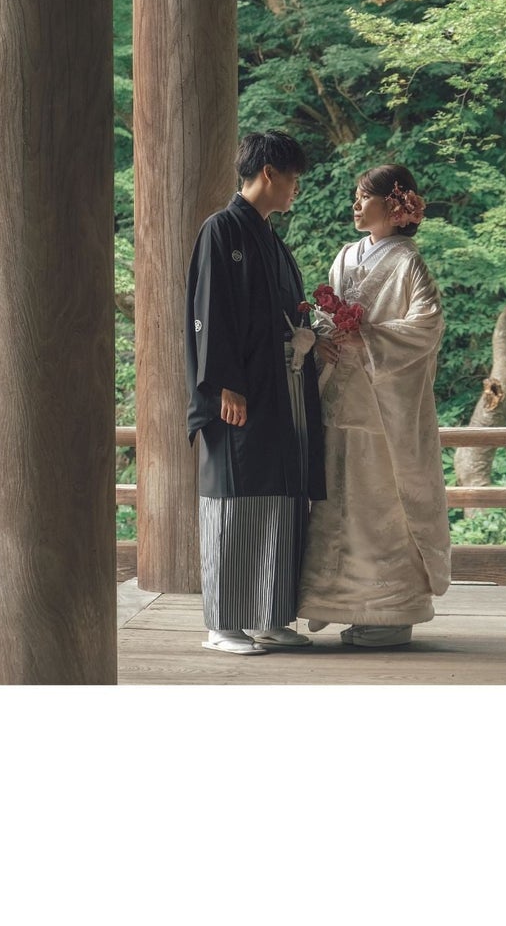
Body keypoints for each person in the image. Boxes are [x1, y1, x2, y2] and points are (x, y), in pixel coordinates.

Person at [297, 164, 450, 647]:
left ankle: (390, 611)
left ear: (396, 205)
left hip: (385, 407)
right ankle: (341, 603)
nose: (356, 206)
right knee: (337, 500)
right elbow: (325, 319)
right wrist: (327, 331)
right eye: (356, 198)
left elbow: (427, 327)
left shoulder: (409, 263)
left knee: (381, 504)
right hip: (342, 395)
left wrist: (367, 336)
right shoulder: (344, 257)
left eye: (365, 198)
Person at [185, 130, 325, 655]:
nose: (295, 190)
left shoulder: (271, 239)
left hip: (280, 386)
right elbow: (209, 311)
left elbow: (291, 315)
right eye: (293, 179)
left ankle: (269, 615)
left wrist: (316, 339)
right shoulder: (221, 231)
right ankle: (223, 624)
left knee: (279, 498)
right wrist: (224, 383)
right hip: (239, 391)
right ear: (269, 173)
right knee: (235, 500)